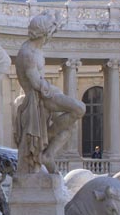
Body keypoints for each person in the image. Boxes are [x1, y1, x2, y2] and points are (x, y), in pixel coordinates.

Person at [13, 12, 87, 174]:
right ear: (45, 33)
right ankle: (46, 140)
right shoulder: (28, 54)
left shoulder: (37, 50)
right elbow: (37, 84)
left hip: (45, 94)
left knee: (69, 128)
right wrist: (56, 91)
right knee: (79, 109)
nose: (52, 36)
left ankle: (47, 155)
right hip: (38, 99)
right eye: (52, 31)